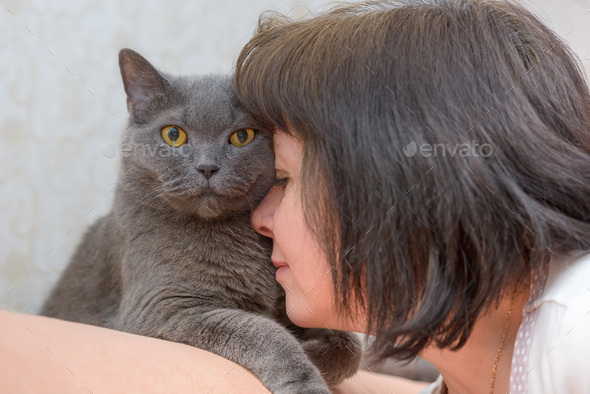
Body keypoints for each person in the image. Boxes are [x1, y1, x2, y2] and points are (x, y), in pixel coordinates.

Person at [2, 0, 590, 393]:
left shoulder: (575, 333)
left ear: (389, 181)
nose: (261, 216)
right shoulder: (474, 370)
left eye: (280, 178)